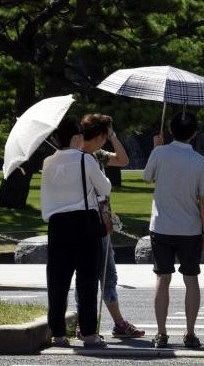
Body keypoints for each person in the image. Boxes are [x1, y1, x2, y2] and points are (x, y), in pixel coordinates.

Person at [41, 116, 110, 348]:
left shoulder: (48, 162)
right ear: (76, 138)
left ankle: (58, 332)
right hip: (84, 222)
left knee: (58, 280)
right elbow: (104, 188)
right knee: (87, 279)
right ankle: (89, 332)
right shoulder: (85, 160)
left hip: (58, 224)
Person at [74, 114, 144, 339]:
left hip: (102, 222)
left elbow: (123, 160)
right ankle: (99, 323)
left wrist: (113, 135)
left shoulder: (97, 155)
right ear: (100, 135)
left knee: (102, 274)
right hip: (91, 222)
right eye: (107, 135)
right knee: (96, 275)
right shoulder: (78, 158)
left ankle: (109, 322)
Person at [143, 112, 204, 349]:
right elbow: (203, 200)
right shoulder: (201, 162)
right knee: (191, 280)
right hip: (190, 228)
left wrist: (155, 148)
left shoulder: (160, 153)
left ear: (171, 130)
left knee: (162, 278)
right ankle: (190, 332)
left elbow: (147, 177)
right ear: (194, 133)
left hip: (161, 226)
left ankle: (161, 333)